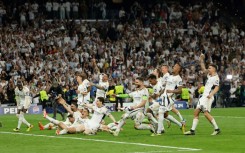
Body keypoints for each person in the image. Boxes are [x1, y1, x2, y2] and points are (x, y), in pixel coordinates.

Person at [184, 54, 221, 135]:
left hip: (208, 97)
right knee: (196, 112)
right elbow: (203, 68)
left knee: (205, 113)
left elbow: (217, 87)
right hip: (204, 97)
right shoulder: (210, 75)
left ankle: (217, 129)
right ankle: (192, 130)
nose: (208, 69)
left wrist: (211, 94)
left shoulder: (216, 77)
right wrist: (201, 60)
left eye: (210, 68)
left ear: (214, 69)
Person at [155, 63, 185, 135]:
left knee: (161, 112)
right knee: (164, 114)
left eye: (175, 67)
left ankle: (159, 132)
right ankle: (181, 125)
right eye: (174, 66)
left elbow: (180, 90)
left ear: (178, 69)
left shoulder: (178, 78)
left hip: (169, 98)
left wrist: (172, 91)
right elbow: (166, 87)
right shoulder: (170, 76)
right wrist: (160, 93)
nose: (173, 67)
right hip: (164, 96)